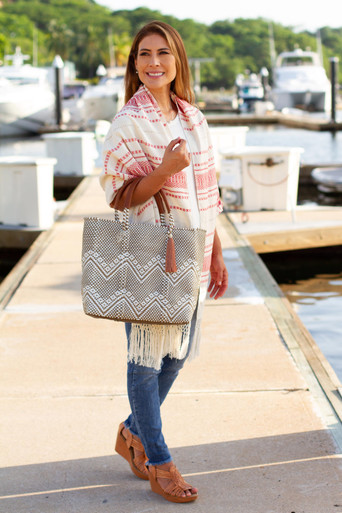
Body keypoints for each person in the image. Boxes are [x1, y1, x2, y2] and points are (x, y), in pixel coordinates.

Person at [100, 20, 228, 503]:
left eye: (163, 53)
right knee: (147, 360)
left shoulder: (193, 118)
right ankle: (159, 460)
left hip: (192, 255)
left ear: (178, 62)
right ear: (135, 64)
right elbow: (118, 194)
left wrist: (216, 253)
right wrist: (163, 172)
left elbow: (210, 194)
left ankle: (132, 432)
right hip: (151, 254)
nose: (154, 63)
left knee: (176, 356)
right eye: (145, 54)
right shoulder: (128, 123)